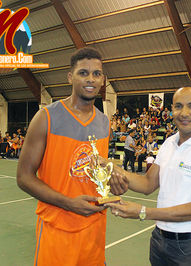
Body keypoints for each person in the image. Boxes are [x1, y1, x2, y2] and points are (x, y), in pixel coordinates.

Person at [16, 48, 126, 265]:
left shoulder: (104, 122)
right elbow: (24, 177)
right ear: (70, 77)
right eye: (83, 73)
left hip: (94, 229)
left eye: (97, 74)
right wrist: (68, 203)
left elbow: (96, 174)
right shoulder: (46, 117)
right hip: (57, 229)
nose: (91, 79)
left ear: (103, 80)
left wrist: (114, 184)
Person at [106, 86, 191, 266]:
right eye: (178, 106)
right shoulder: (169, 143)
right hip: (160, 240)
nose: (184, 113)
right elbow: (148, 183)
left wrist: (143, 212)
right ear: (171, 109)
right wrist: (113, 168)